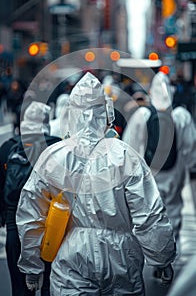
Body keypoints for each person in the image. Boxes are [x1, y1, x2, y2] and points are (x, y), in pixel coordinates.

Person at [16, 72, 176, 295]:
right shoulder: (125, 156)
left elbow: (32, 213)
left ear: (71, 113)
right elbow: (148, 212)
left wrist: (32, 266)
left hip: (72, 255)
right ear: (107, 112)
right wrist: (162, 257)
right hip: (122, 258)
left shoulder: (54, 157)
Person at [122, 71, 196, 243]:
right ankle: (170, 253)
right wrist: (192, 167)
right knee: (173, 211)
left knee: (149, 212)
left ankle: (152, 252)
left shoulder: (142, 115)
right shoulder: (180, 115)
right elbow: (190, 145)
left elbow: (130, 145)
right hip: (174, 172)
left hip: (149, 173)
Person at [0, 101, 61, 296]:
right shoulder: (57, 145)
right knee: (48, 283)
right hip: (50, 221)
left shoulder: (9, 147)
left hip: (14, 221)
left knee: (20, 285)